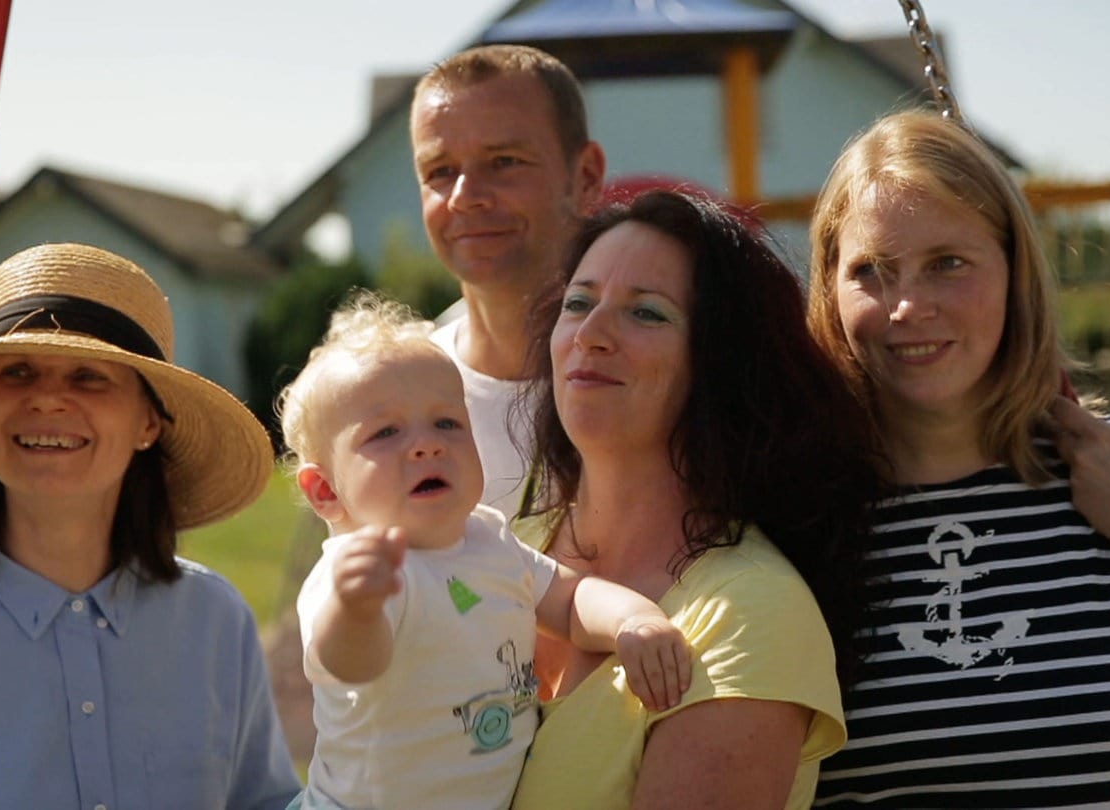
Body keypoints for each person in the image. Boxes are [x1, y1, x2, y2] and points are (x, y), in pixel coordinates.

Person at [806, 110, 1110, 806]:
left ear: (1016, 274)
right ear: (830, 293)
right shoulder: (798, 520)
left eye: (948, 263)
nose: (908, 306)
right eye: (872, 271)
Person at [0, 244, 301, 809]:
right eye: (17, 372)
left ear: (148, 422)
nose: (46, 398)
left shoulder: (216, 622)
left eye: (89, 377)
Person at [509, 189, 885, 809]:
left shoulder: (750, 612)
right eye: (579, 303)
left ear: (719, 365)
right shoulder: (499, 549)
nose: (592, 334)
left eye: (647, 314)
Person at [277, 293, 692, 810]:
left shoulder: (488, 539)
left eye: (448, 423)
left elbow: (566, 597)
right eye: (385, 433)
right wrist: (355, 609)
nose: (427, 445)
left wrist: (633, 619)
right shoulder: (357, 573)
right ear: (326, 492)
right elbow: (351, 663)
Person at [410, 43, 607, 517]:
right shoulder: (395, 395)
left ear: (585, 177)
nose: (465, 197)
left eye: (504, 162)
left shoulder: (659, 377)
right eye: (440, 171)